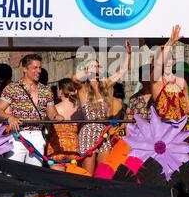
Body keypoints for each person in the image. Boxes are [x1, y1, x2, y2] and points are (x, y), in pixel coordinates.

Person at [72, 40, 131, 175]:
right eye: (93, 66)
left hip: (103, 132)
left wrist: (128, 55)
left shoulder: (104, 85)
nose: (96, 69)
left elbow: (121, 71)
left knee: (104, 173)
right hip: (89, 131)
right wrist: (86, 70)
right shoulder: (83, 89)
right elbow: (74, 78)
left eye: (97, 66)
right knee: (89, 173)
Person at [0, 54, 64, 167]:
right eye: (35, 68)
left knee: (35, 175)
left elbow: (52, 113)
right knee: (13, 174)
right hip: (18, 136)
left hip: (37, 135)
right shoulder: (12, 88)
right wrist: (9, 117)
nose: (39, 71)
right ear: (25, 69)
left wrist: (57, 117)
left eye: (39, 67)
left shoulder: (46, 90)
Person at [151, 25, 189, 124]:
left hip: (182, 128)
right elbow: (158, 64)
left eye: (170, 57)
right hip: (164, 129)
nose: (168, 60)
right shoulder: (156, 80)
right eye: (165, 57)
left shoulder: (182, 82)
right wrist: (171, 42)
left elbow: (188, 107)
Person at [46, 78, 82, 169]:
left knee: (57, 181)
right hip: (74, 148)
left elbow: (48, 128)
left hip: (56, 147)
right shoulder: (78, 110)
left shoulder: (53, 109)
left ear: (61, 91)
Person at [124, 64, 155, 136]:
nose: (148, 79)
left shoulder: (158, 97)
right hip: (137, 138)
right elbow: (127, 120)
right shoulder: (133, 99)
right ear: (140, 78)